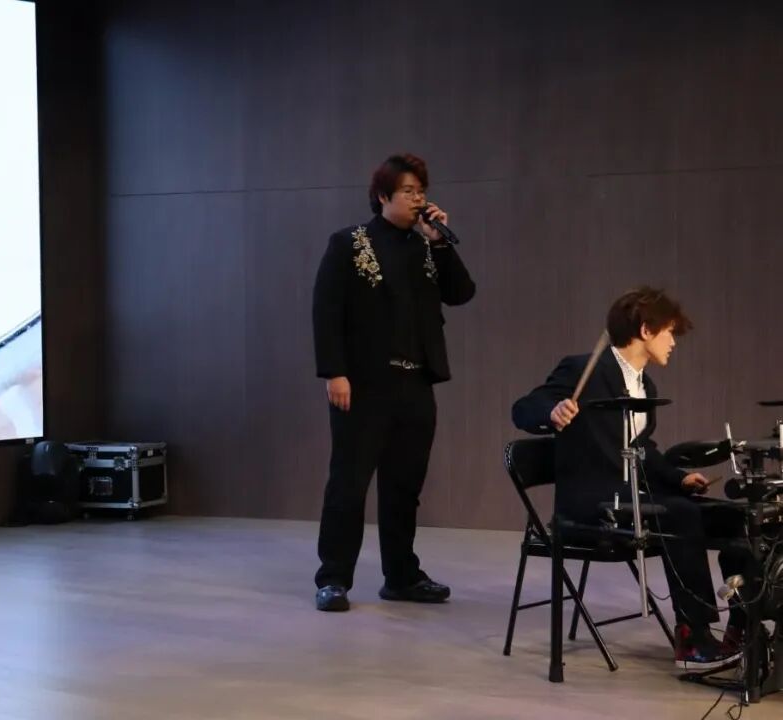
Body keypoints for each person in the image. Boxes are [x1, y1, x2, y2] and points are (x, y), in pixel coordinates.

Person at [511, 286, 749, 671]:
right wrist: (552, 411)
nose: (674, 342)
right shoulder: (583, 369)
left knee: (738, 518)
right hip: (591, 505)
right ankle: (694, 640)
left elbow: (642, 450)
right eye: (669, 332)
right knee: (680, 515)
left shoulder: (645, 385)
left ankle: (743, 624)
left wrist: (679, 478)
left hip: (630, 497)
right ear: (645, 330)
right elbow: (524, 408)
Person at [311, 153, 476, 612]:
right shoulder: (349, 243)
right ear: (383, 195)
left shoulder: (426, 246)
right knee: (348, 484)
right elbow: (326, 311)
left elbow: (462, 293)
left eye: (422, 191)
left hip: (416, 383)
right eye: (408, 191)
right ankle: (333, 579)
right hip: (363, 385)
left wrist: (440, 244)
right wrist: (335, 372)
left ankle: (401, 576)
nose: (418, 199)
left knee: (405, 487)